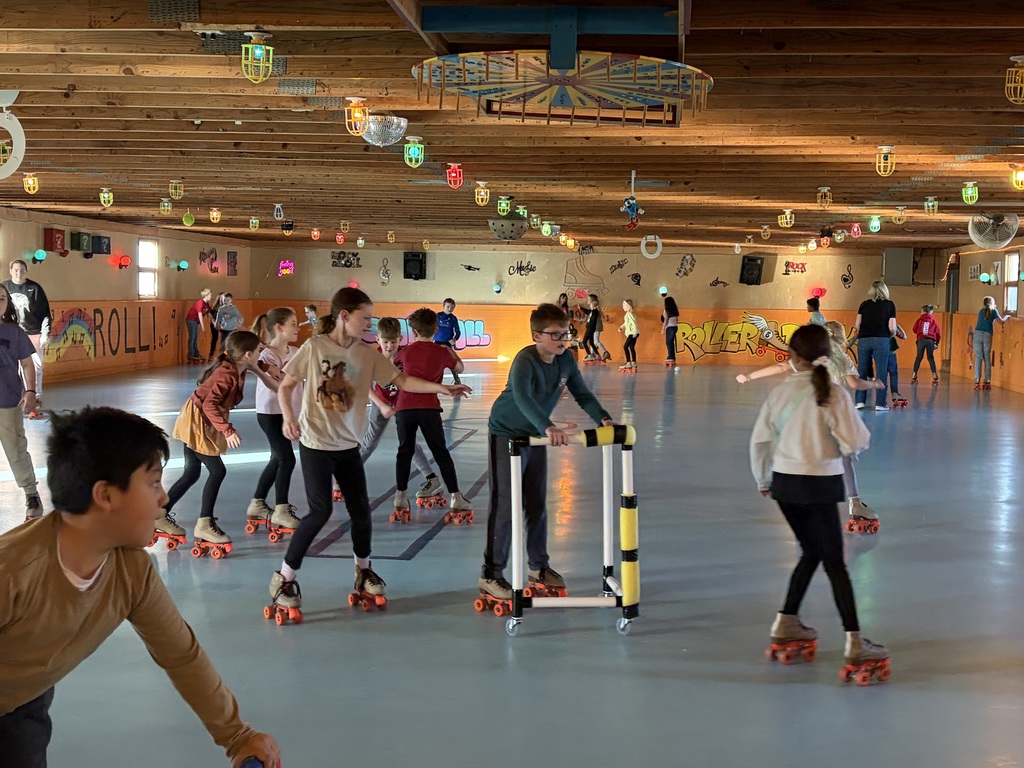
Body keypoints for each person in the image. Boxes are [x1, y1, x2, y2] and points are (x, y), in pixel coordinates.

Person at [0, 406, 280, 768]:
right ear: (106, 496)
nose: (163, 498)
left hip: (24, 702)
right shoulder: (14, 572)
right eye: (152, 483)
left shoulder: (131, 570)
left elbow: (181, 654)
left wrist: (237, 735)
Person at [268, 288, 471, 616]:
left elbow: (404, 381)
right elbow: (287, 386)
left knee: (361, 512)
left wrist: (443, 387)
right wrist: (289, 418)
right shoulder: (314, 347)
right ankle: (283, 578)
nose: (368, 324)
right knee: (319, 512)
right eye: (364, 318)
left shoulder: (366, 354)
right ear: (344, 316)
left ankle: (363, 571)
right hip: (317, 445)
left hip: (347, 446)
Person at [749, 324, 890, 680]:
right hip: (820, 486)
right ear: (826, 354)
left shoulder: (780, 393)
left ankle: (785, 623)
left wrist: (764, 480)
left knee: (811, 552)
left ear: (793, 358)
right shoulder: (835, 392)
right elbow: (856, 442)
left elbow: (760, 442)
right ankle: (855, 642)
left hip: (785, 486)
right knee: (835, 564)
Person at [479, 303, 614, 601]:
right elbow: (524, 398)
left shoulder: (566, 361)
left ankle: (539, 566)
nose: (563, 340)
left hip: (535, 435)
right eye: (555, 334)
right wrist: (547, 426)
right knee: (505, 506)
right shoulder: (525, 360)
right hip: (507, 432)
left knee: (536, 503)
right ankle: (491, 574)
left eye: (566, 333)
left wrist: (603, 418)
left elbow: (583, 394)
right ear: (536, 335)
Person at [736, 321, 885, 532]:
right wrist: (874, 384)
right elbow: (855, 384)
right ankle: (855, 502)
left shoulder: (787, 383)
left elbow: (780, 367)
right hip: (829, 429)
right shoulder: (841, 359)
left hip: (791, 468)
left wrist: (749, 376)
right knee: (845, 459)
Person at [155, 331, 275, 554]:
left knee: (191, 473)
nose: (261, 355)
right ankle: (204, 524)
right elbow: (210, 405)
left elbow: (258, 366)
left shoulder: (239, 366)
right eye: (258, 351)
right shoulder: (227, 374)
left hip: (199, 416)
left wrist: (267, 369)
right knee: (217, 471)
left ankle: (160, 515)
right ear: (247, 354)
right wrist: (227, 431)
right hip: (199, 419)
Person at [393, 308, 472, 521]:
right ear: (436, 329)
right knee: (440, 451)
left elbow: (394, 366)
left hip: (405, 407)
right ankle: (456, 496)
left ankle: (400, 496)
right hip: (429, 408)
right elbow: (461, 368)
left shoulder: (407, 351)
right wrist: (450, 349)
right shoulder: (441, 352)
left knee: (405, 450)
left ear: (414, 332)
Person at [361, 316, 440, 517]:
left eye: (393, 342)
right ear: (377, 339)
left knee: (408, 443)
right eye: (385, 342)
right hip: (380, 403)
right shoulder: (372, 358)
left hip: (402, 405)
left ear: (400, 339)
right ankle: (344, 476)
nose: (389, 346)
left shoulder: (406, 356)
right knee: (370, 442)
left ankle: (431, 478)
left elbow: (413, 380)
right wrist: (380, 404)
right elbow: (364, 385)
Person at [246, 308, 304, 535]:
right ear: (278, 328)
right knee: (286, 459)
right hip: (270, 413)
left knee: (277, 458)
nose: (297, 328)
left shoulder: (297, 352)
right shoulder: (266, 356)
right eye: (293, 323)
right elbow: (274, 383)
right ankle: (281, 509)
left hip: (289, 411)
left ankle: (257, 503)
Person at [0, 283, 43, 520]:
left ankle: (31, 494)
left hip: (7, 401)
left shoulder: (14, 332)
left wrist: (30, 392)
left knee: (16, 448)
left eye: (2, 299)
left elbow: (27, 363)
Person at [3, 259, 50, 417]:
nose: (19, 273)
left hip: (33, 332)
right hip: (12, 333)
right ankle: (17, 398)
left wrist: (45, 334)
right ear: (10, 270)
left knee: (35, 367)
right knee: (12, 367)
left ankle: (35, 398)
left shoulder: (35, 289)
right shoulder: (4, 288)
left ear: (26, 271)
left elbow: (45, 314)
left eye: (22, 270)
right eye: (16, 270)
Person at [853, 280, 897, 411]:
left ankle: (860, 401)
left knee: (862, 371)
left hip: (864, 340)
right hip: (882, 339)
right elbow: (892, 327)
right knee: (881, 372)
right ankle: (880, 403)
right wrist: (892, 335)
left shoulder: (864, 305)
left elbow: (857, 325)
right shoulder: (890, 305)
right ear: (885, 291)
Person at [972, 296, 1009, 390]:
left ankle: (977, 380)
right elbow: (1001, 322)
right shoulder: (994, 311)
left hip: (977, 334)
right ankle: (987, 380)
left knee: (978, 357)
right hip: (987, 335)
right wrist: (1007, 317)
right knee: (987, 357)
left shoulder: (981, 311)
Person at [433, 297, 462, 384]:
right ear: (443, 306)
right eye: (448, 307)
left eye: (452, 307)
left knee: (451, 361)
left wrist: (455, 339)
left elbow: (458, 331)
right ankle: (434, 379)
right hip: (437, 343)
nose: (450, 309)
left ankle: (456, 378)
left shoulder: (453, 318)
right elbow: (431, 328)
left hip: (447, 343)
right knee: (436, 362)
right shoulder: (437, 316)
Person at [911, 304, 941, 384]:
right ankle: (934, 374)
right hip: (930, 340)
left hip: (921, 340)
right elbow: (938, 332)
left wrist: (920, 332)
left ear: (923, 312)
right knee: (930, 357)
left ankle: (914, 374)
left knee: (919, 357)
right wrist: (937, 342)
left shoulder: (920, 319)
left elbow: (914, 329)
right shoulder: (933, 320)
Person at [185, 288, 213, 364]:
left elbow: (209, 314)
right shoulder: (200, 303)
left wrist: (214, 322)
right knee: (192, 336)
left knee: (196, 337)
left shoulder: (206, 304)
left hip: (196, 321)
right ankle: (191, 354)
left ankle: (196, 353)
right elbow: (200, 314)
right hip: (191, 320)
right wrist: (203, 327)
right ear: (206, 295)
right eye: (210, 295)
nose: (211, 297)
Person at [884, 324, 908, 407]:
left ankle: (882, 396)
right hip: (890, 352)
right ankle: (895, 393)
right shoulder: (891, 323)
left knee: (882, 374)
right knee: (893, 373)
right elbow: (904, 336)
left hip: (879, 351)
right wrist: (896, 326)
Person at [578, 294, 606, 362]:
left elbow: (592, 320)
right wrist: (581, 309)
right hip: (591, 329)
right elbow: (588, 312)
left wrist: (588, 326)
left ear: (593, 305)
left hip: (590, 329)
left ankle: (590, 355)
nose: (589, 305)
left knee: (584, 342)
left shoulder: (594, 311)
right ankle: (597, 355)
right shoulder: (593, 311)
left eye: (590, 304)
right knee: (591, 342)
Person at [619, 298, 639, 372]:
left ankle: (628, 362)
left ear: (628, 306)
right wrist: (622, 327)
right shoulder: (629, 314)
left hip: (632, 333)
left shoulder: (629, 314)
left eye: (624, 306)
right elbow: (626, 324)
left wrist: (634, 332)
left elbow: (633, 323)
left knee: (625, 347)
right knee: (631, 347)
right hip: (634, 333)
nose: (623, 307)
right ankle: (633, 362)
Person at [661, 296, 680, 364]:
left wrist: (663, 328)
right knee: (671, 342)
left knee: (668, 342)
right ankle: (672, 357)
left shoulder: (666, 310)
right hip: (675, 327)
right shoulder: (675, 309)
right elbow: (677, 319)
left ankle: (671, 357)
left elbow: (666, 319)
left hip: (670, 327)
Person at [208, 292, 225, 360]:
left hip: (223, 324)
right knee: (215, 338)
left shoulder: (226, 307)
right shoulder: (214, 307)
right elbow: (210, 315)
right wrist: (214, 323)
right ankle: (211, 354)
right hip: (215, 323)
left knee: (224, 338)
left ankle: (224, 354)